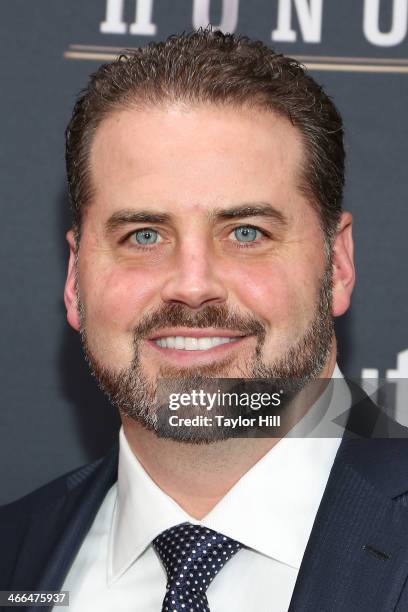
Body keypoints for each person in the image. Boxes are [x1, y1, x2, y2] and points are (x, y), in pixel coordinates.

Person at [2, 28, 408, 612]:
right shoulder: (16, 552)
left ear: (338, 265)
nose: (193, 286)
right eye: (143, 235)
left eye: (247, 233)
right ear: (73, 278)